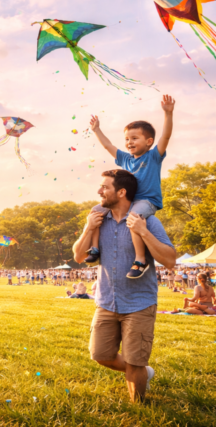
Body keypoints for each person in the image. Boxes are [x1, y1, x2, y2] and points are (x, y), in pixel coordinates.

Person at [73, 169, 176, 403]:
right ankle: (144, 373)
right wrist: (88, 227)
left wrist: (143, 232)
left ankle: (139, 407)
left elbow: (170, 259)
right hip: (106, 302)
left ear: (121, 192)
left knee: (135, 361)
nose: (99, 191)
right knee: (100, 355)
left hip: (139, 303)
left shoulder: (147, 220)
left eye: (105, 187)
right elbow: (79, 257)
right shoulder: (98, 221)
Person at [84, 95, 175, 279]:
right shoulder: (125, 159)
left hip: (146, 201)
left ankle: (140, 260)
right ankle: (94, 248)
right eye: (127, 139)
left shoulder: (153, 156)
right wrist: (96, 130)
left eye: (135, 138)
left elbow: (165, 136)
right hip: (129, 201)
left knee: (133, 219)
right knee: (96, 210)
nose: (129, 142)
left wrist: (168, 113)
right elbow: (108, 145)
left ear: (149, 142)